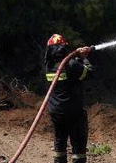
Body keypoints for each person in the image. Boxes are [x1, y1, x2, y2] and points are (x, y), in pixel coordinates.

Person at [44, 34, 93, 163]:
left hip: (56, 113)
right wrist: (83, 58)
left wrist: (75, 56)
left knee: (60, 143)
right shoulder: (71, 65)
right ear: (63, 48)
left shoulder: (49, 66)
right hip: (73, 113)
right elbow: (90, 73)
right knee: (78, 147)